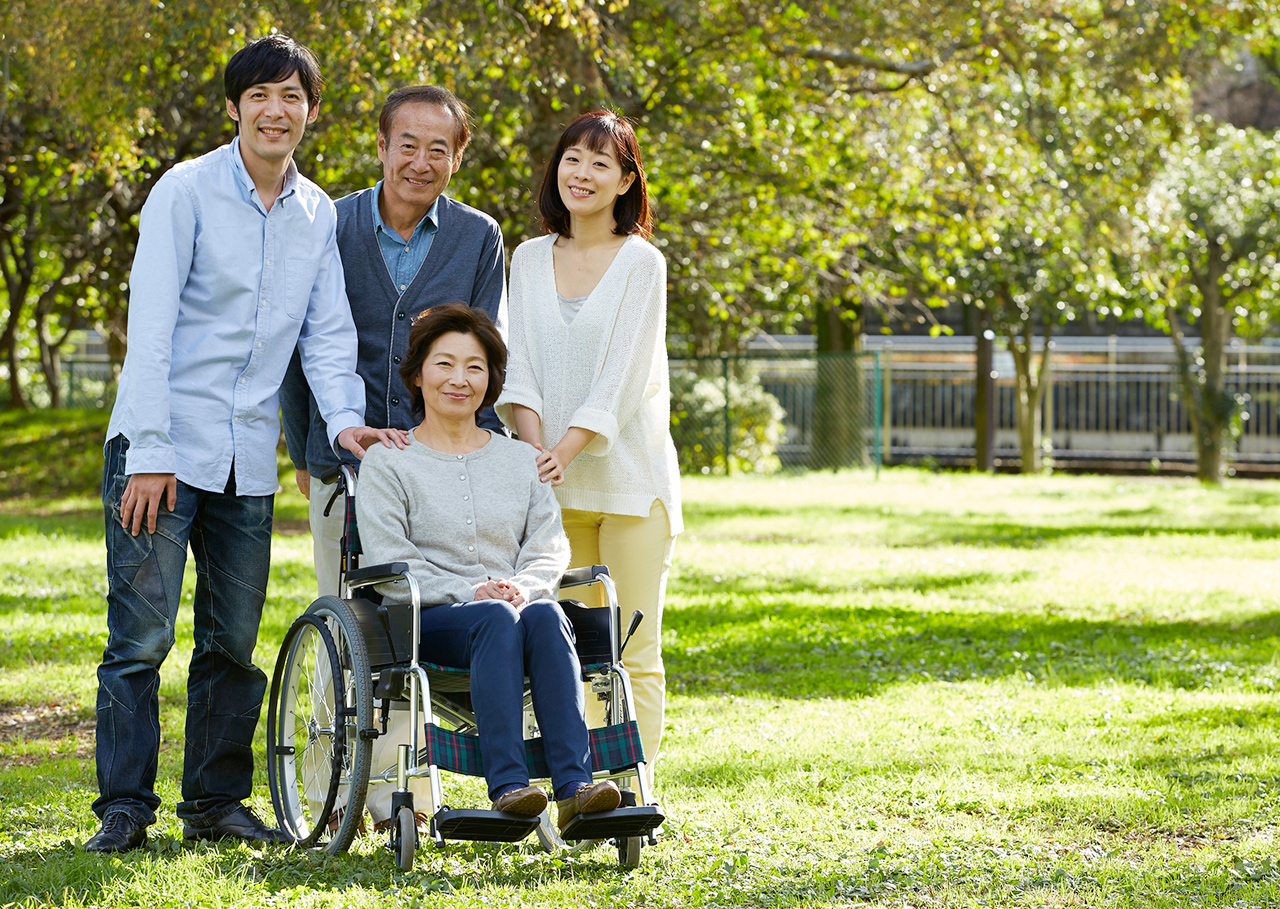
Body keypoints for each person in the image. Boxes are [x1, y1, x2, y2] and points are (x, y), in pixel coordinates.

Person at [86, 35, 402, 855]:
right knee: (141, 639)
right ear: (234, 107)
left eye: (292, 96)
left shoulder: (314, 213)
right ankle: (124, 805)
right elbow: (150, 329)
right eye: (260, 94)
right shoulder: (184, 192)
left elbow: (327, 336)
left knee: (232, 641)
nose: (276, 110)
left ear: (311, 112)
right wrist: (151, 449)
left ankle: (215, 803)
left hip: (246, 460)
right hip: (160, 452)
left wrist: (342, 423)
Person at [279, 84, 506, 831]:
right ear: (379, 147)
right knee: (346, 618)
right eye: (406, 144)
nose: (420, 161)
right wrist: (306, 445)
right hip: (343, 462)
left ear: (458, 158)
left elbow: (483, 356)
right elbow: (296, 344)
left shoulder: (477, 238)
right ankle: (329, 785)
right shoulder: (326, 222)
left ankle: (405, 790)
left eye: (438, 148)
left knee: (417, 620)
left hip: (437, 466)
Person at [355, 303, 621, 831]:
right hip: (430, 621)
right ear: (417, 375)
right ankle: (509, 788)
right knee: (497, 618)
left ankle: (574, 789)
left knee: (546, 614)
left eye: (475, 367)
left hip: (520, 614)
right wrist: (473, 591)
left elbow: (548, 544)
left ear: (492, 382)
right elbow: (391, 557)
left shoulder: (523, 460)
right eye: (444, 364)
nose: (460, 379)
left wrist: (523, 588)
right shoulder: (390, 462)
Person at [495, 111, 682, 786]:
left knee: (631, 649)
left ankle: (634, 787)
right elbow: (518, 367)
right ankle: (576, 788)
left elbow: (625, 375)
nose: (583, 173)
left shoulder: (642, 263)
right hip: (552, 487)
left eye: (601, 163)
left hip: (632, 483)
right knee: (563, 649)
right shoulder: (527, 257)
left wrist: (567, 447)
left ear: (626, 179)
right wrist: (535, 447)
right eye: (573, 158)